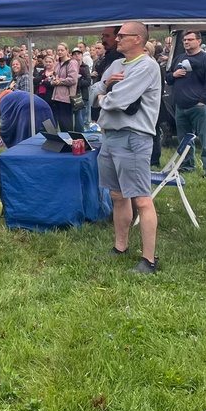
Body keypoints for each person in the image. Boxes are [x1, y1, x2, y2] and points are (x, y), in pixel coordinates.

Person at [89, 21, 162, 275]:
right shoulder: (116, 65)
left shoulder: (147, 67)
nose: (116, 40)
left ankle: (149, 260)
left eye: (122, 36)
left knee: (141, 199)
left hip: (133, 137)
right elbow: (92, 93)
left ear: (138, 40)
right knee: (117, 196)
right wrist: (105, 87)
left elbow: (120, 100)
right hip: (109, 137)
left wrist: (104, 95)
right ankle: (121, 247)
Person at [166, 31, 206, 177]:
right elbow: (169, 78)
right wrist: (174, 75)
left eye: (190, 39)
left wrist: (203, 101)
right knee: (184, 140)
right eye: (184, 40)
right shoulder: (179, 58)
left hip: (199, 107)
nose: (186, 42)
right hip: (180, 107)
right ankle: (186, 165)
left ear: (199, 41)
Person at [49, 43, 79, 132]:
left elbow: (73, 79)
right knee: (60, 122)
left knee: (66, 122)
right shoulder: (57, 64)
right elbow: (54, 76)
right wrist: (53, 81)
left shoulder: (72, 63)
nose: (60, 52)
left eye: (62, 50)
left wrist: (60, 81)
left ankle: (70, 141)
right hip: (56, 96)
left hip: (66, 97)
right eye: (58, 50)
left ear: (67, 51)